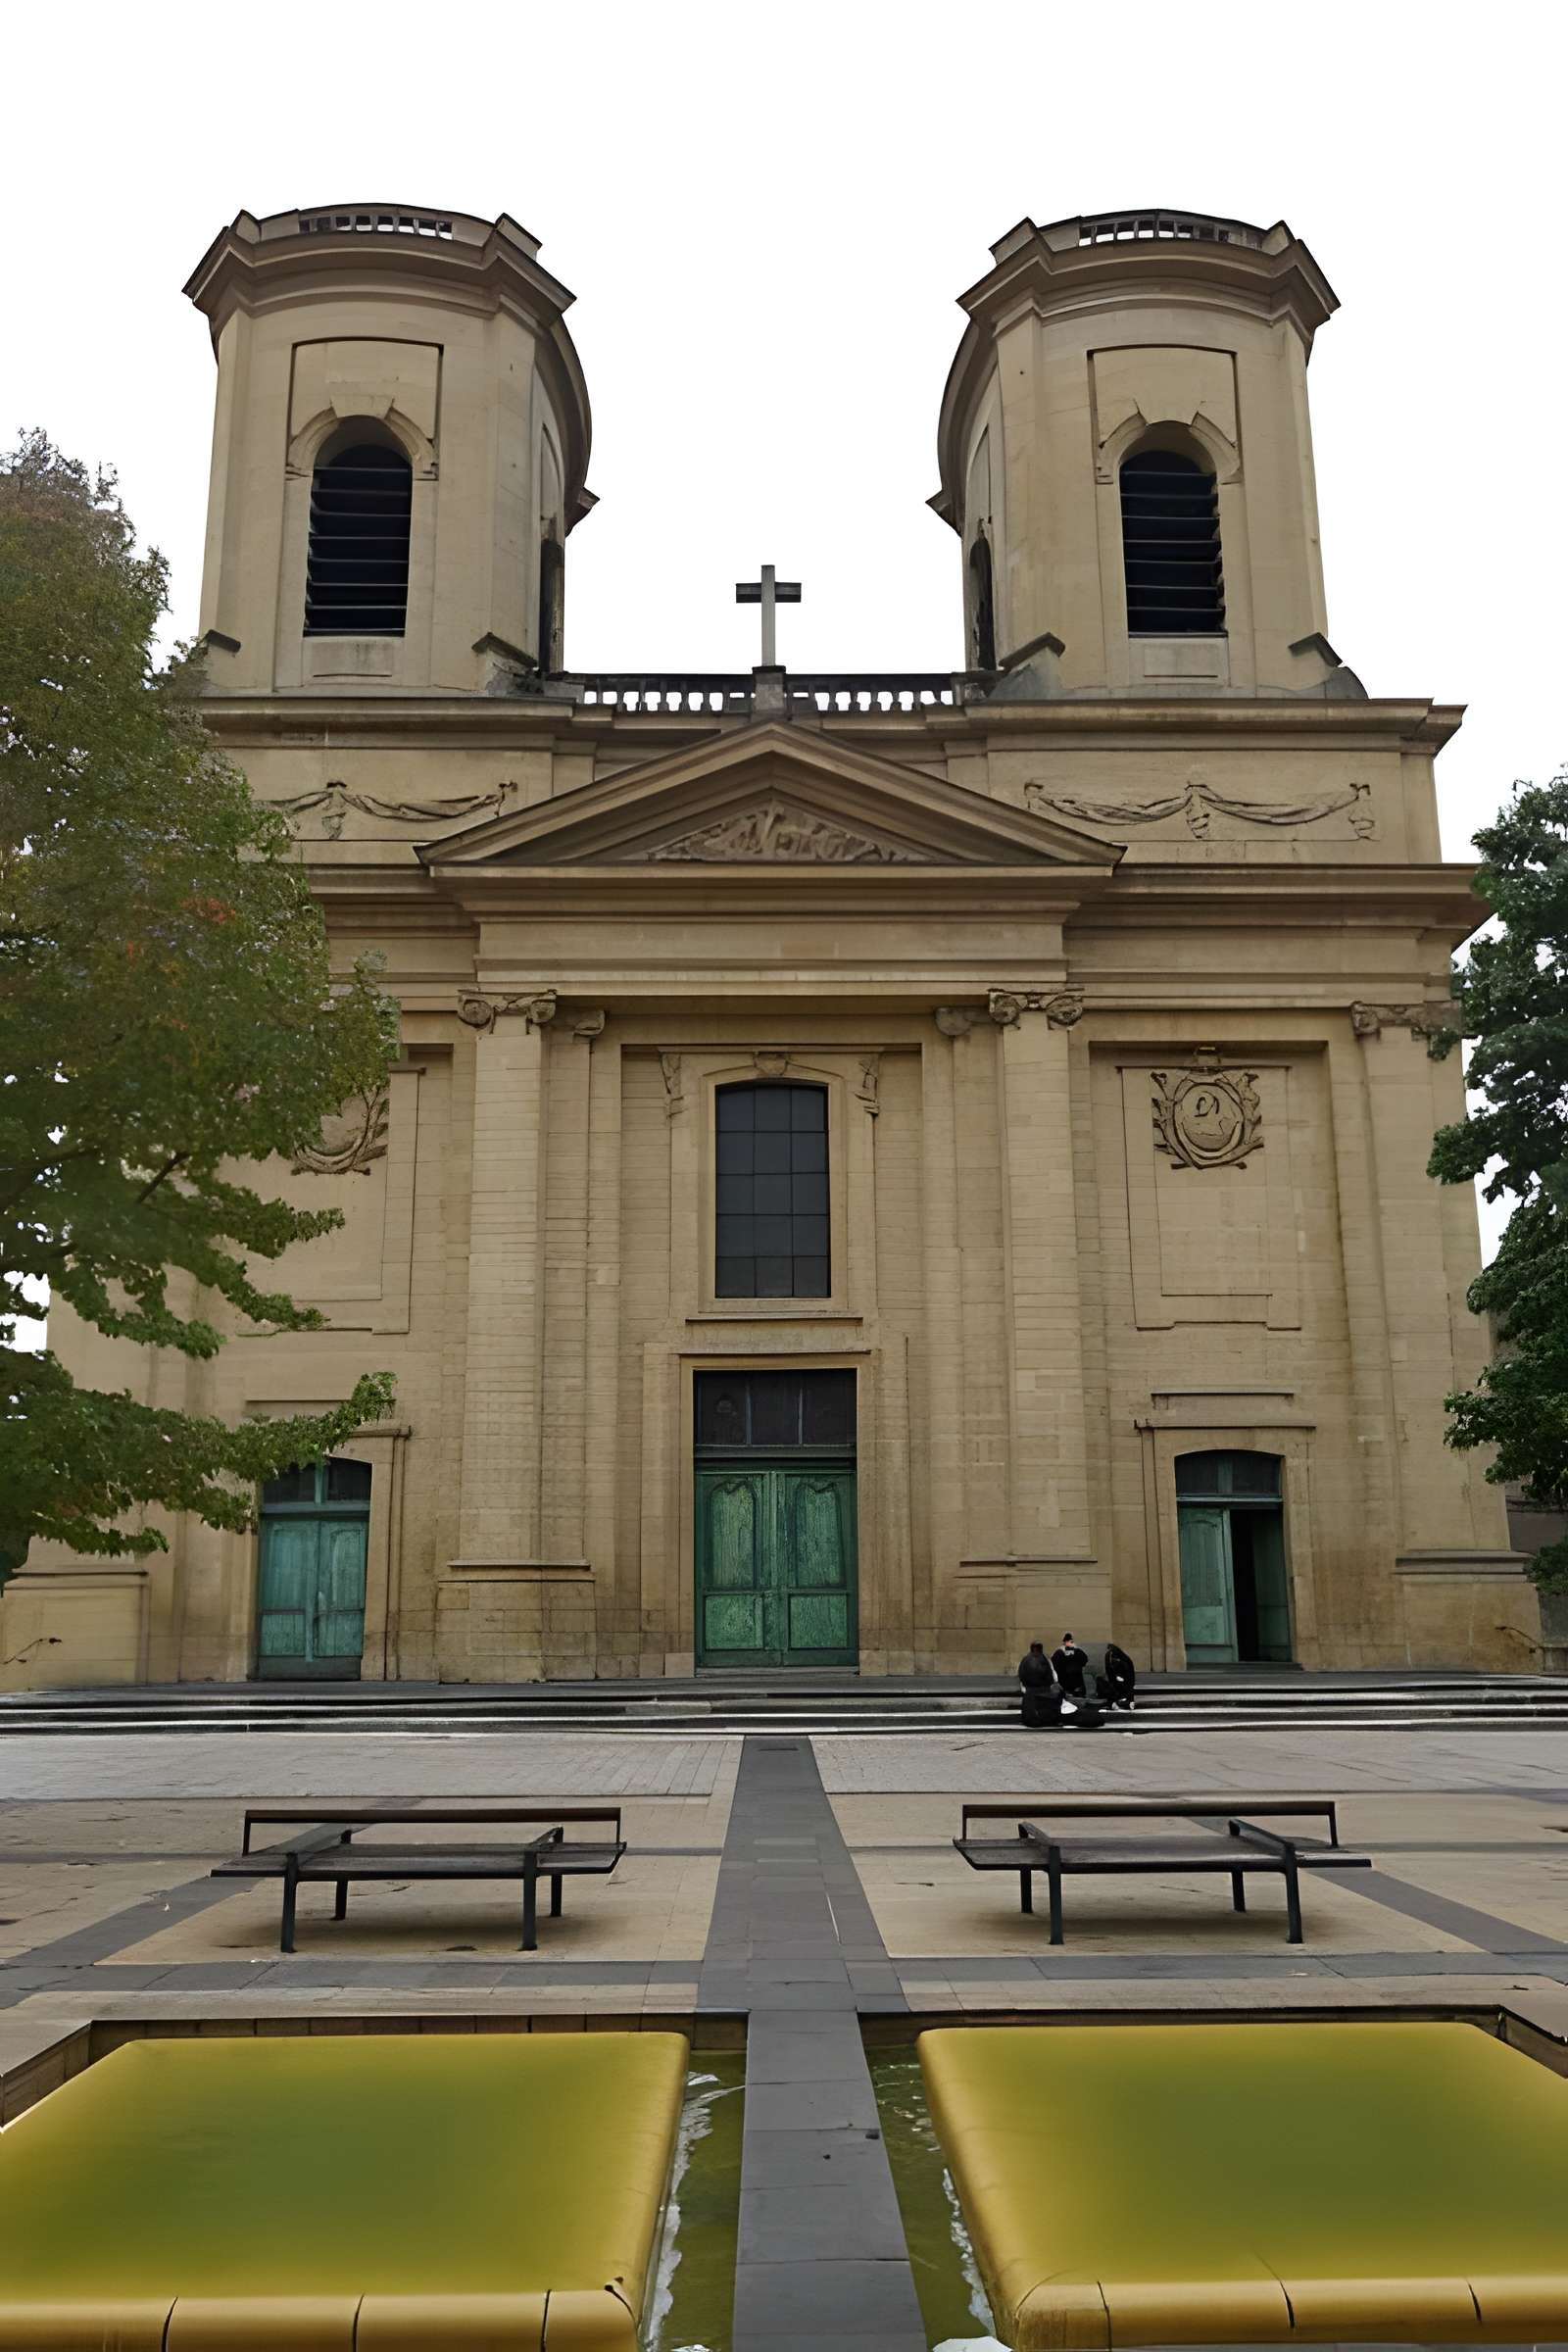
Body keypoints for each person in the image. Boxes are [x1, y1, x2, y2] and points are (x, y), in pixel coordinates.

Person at [1016, 1641, 1062, 1729]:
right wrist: (1050, 1683)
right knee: (1041, 1705)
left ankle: (1031, 1720)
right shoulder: (1042, 1658)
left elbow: (1021, 1673)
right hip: (1041, 1688)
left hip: (1033, 1688)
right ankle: (1040, 1719)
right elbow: (1049, 1672)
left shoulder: (1027, 1659)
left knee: (1031, 1706)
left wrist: (1025, 1684)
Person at [1102, 1640, 1137, 1712]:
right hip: (1125, 1678)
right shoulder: (1122, 1657)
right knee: (1124, 1690)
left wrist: (1116, 1676)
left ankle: (1124, 1702)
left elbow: (1110, 1668)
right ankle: (1127, 1702)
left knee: (1119, 1689)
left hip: (1121, 1678)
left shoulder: (1112, 1656)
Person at [1052, 1633, 1089, 1699]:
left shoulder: (1059, 1652)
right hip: (1075, 1681)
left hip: (1066, 1681)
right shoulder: (1077, 1651)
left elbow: (1055, 1664)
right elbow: (1084, 1661)